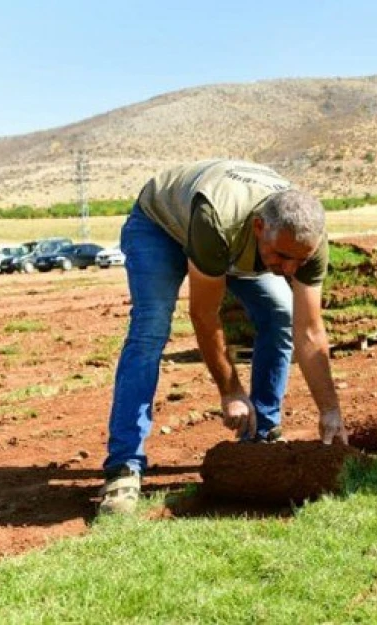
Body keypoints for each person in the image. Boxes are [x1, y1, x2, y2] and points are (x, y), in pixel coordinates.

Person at [99, 160, 348, 515]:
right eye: (281, 257)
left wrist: (330, 410)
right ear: (260, 228)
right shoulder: (217, 220)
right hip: (161, 226)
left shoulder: (303, 241)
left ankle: (262, 432)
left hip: (236, 245)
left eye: (299, 260)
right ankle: (123, 466)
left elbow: (309, 330)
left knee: (280, 314)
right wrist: (230, 390)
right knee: (150, 329)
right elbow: (203, 314)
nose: (289, 270)